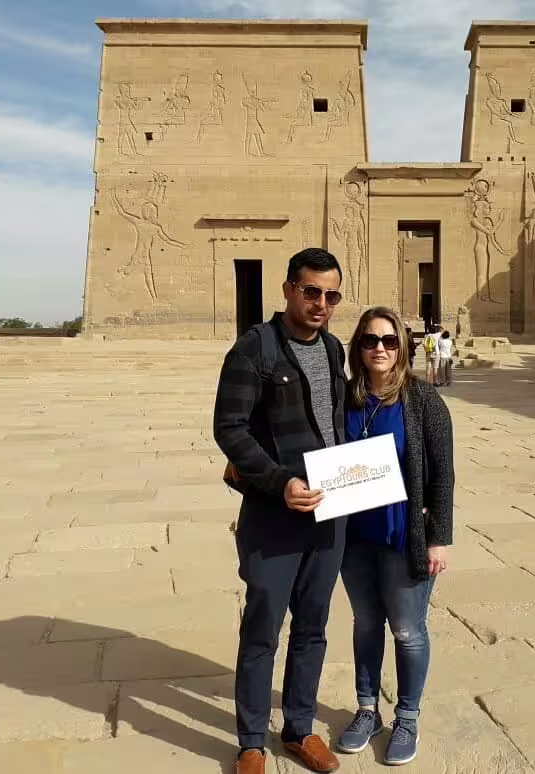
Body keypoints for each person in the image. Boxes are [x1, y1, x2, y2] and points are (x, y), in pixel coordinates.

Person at [213, 248, 348, 774]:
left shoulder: (334, 348)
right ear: (289, 289)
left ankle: (298, 728)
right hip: (274, 513)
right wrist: (278, 481)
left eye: (330, 295)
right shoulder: (255, 349)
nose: (320, 303)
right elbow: (230, 429)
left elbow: (333, 423)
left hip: (329, 513)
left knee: (313, 626)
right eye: (311, 291)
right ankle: (250, 740)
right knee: (264, 627)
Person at [336, 306, 454, 766]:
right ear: (358, 347)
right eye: (370, 340)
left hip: (405, 534)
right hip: (356, 536)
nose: (379, 348)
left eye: (388, 340)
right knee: (366, 623)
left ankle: (407, 716)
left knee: (407, 630)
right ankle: (368, 709)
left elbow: (442, 474)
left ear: (402, 345)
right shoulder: (346, 398)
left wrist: (439, 538)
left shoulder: (424, 401)